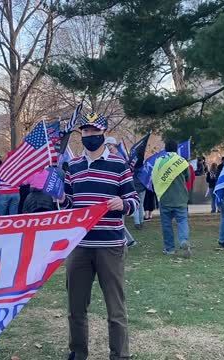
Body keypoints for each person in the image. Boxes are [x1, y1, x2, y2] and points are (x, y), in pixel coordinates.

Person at [61, 112, 139, 360]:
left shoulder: (119, 164)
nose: (90, 136)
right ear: (81, 135)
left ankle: (119, 355)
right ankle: (78, 352)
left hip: (110, 245)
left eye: (95, 132)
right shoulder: (72, 167)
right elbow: (68, 204)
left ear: (104, 134)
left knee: (115, 307)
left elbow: (134, 201)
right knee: (76, 307)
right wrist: (60, 198)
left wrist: (122, 203)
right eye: (86, 132)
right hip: (80, 246)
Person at [152, 140, 192, 257]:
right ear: (176, 149)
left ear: (165, 149)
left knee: (166, 224)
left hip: (165, 198)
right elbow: (188, 177)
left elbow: (154, 177)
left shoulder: (159, 161)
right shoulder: (181, 161)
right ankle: (184, 240)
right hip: (180, 198)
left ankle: (169, 249)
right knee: (182, 220)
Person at [0, 152, 21, 216]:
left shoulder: (1, 168)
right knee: (13, 214)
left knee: (0, 214)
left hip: (3, 192)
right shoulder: (18, 168)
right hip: (15, 191)